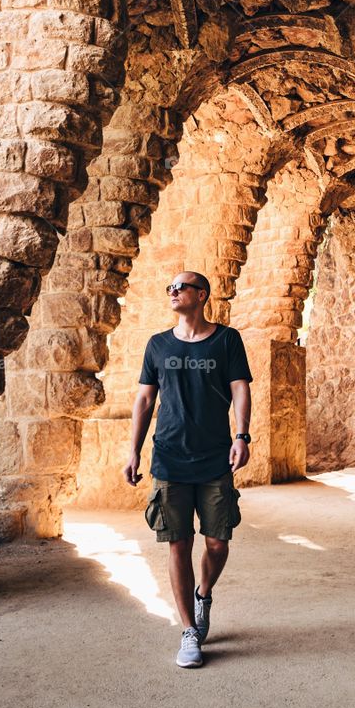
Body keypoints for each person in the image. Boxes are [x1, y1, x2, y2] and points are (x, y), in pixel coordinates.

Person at [123, 270, 252, 668]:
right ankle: (188, 632)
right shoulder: (157, 344)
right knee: (178, 543)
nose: (174, 292)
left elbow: (240, 388)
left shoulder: (226, 339)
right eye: (170, 288)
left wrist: (242, 436)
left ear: (203, 295)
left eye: (182, 287)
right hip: (169, 458)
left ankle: (204, 595)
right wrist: (133, 452)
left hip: (214, 456)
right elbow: (144, 402)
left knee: (217, 542)